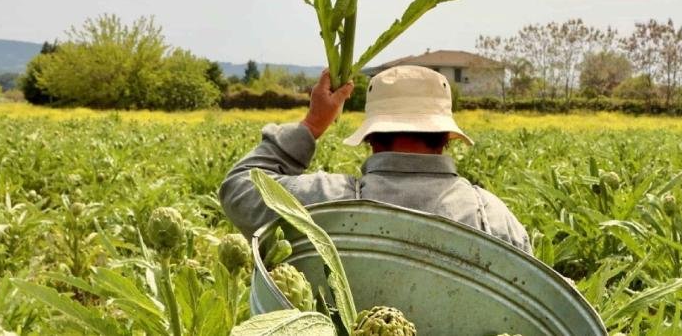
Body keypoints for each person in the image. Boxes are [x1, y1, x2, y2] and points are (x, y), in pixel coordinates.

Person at [219, 65, 531, 253]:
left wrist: (313, 123)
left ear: (370, 137)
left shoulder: (327, 203)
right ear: (447, 137)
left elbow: (238, 188)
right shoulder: (493, 219)